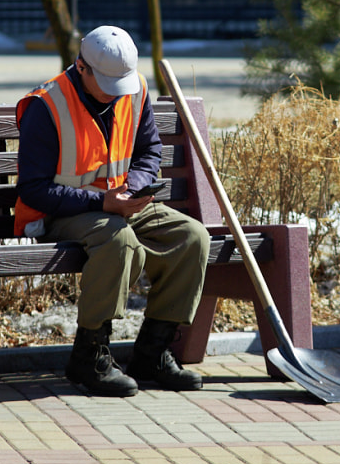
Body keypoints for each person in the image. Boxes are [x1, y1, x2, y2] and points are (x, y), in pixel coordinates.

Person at [14, 25, 210, 397]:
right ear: (81, 67)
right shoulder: (46, 105)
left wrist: (133, 186)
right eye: (105, 82)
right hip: (60, 213)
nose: (114, 93)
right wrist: (102, 202)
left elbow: (150, 152)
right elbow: (34, 189)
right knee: (117, 241)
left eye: (120, 83)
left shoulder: (133, 91)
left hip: (119, 203)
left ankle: (153, 353)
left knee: (191, 237)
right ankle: (89, 356)